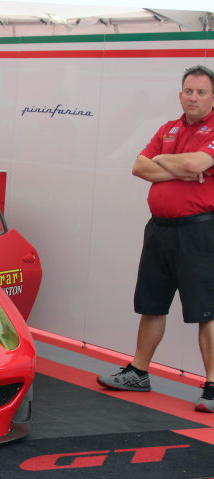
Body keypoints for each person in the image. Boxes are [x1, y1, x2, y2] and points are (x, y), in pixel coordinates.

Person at [98, 65, 214, 413]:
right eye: (188, 91)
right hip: (160, 230)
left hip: (199, 231)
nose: (193, 97)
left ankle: (213, 384)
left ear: (212, 97)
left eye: (201, 92)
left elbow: (199, 162)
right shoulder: (168, 127)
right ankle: (139, 372)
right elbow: (139, 166)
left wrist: (170, 163)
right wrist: (176, 164)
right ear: (180, 94)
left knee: (206, 311)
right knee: (152, 303)